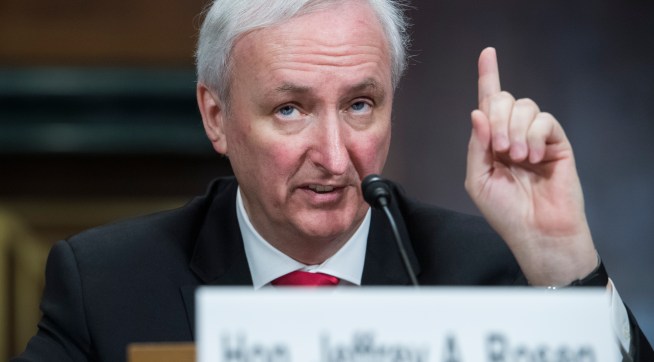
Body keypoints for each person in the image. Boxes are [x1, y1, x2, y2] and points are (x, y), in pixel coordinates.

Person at [14, 0, 653, 361]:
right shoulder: (107, 285)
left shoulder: (492, 271)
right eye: (290, 108)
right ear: (217, 117)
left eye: (359, 105)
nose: (335, 154)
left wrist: (565, 265)